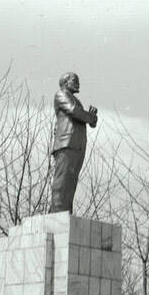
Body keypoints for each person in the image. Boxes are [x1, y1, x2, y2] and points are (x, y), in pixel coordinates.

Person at [49, 72, 98, 214]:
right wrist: (91, 117)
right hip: (66, 143)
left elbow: (84, 118)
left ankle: (65, 212)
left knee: (71, 181)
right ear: (65, 82)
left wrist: (90, 117)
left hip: (77, 145)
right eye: (74, 80)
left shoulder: (74, 99)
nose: (78, 83)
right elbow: (74, 111)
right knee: (62, 180)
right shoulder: (61, 95)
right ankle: (57, 211)